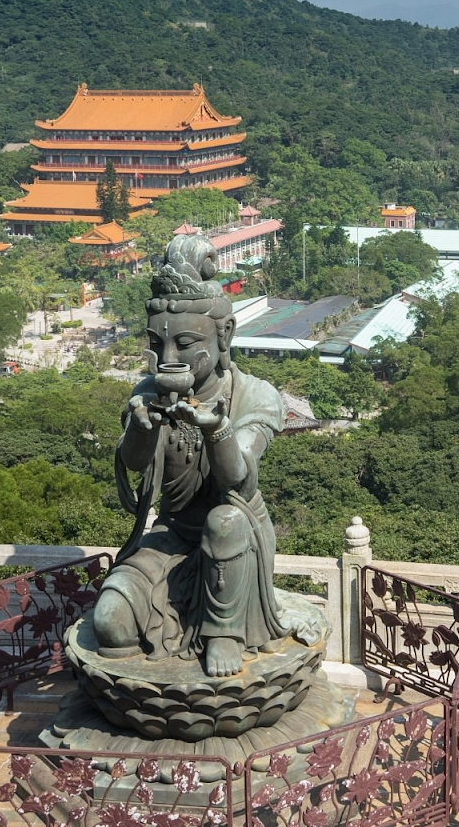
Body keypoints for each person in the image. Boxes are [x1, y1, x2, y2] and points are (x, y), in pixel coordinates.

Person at [92, 233, 304, 677]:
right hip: (171, 536)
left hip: (235, 540)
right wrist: (141, 428)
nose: (167, 358)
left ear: (224, 334)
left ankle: (224, 629)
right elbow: (133, 466)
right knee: (110, 623)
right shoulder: (148, 393)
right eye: (157, 344)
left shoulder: (253, 396)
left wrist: (217, 428)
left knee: (222, 520)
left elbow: (238, 481)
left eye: (185, 344)